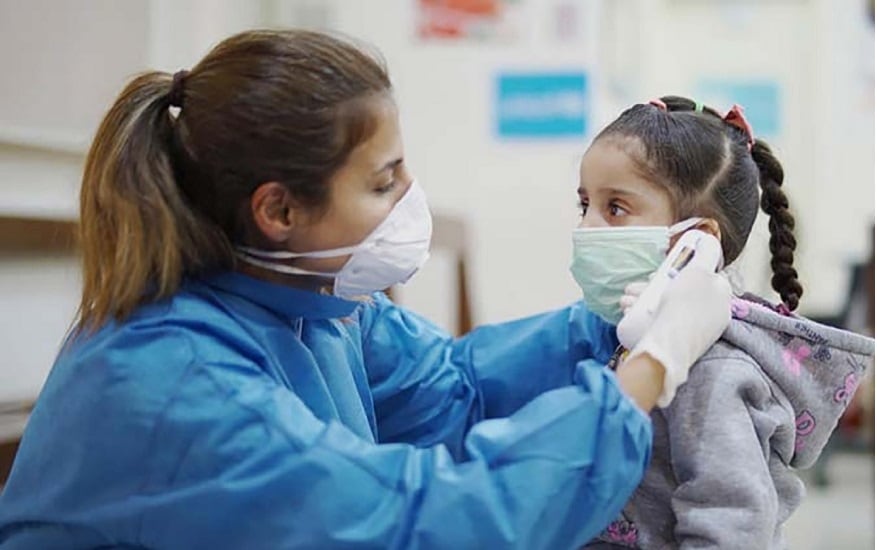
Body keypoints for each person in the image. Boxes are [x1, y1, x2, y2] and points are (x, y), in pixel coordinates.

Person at [0, 32, 731, 549]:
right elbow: (427, 525)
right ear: (278, 210)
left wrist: (610, 318)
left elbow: (455, 389)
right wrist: (651, 367)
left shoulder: (315, 306)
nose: (411, 196)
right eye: (383, 181)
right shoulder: (168, 381)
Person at [570, 96, 876, 549]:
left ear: (696, 242)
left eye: (615, 208)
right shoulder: (618, 338)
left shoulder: (713, 370)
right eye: (584, 205)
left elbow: (733, 526)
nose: (588, 228)